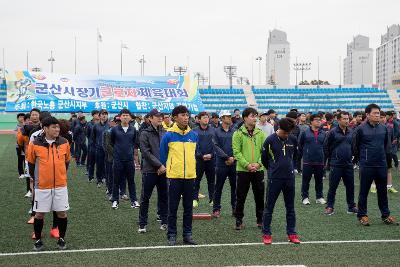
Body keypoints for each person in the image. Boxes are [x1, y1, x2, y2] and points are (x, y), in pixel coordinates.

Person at [27, 116, 71, 251]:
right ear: (45, 128)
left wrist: (60, 175)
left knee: (62, 213)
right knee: (39, 214)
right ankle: (39, 240)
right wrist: (36, 180)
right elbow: (31, 163)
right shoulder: (34, 143)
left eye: (57, 127)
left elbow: (67, 162)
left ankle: (61, 238)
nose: (57, 129)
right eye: (54, 127)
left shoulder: (64, 142)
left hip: (60, 185)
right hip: (42, 186)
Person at [352, 104, 398, 226]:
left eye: (379, 113)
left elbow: (386, 146)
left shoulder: (384, 128)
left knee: (382, 191)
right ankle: (362, 215)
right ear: (367, 115)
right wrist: (362, 159)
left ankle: (385, 215)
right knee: (364, 191)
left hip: (381, 164)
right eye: (375, 113)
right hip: (366, 165)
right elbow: (355, 147)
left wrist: (385, 161)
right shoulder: (360, 129)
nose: (378, 115)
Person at [160, 105, 198, 246]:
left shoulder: (193, 135)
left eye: (187, 115)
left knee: (188, 208)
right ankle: (171, 235)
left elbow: (195, 154)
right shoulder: (168, 135)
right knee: (173, 208)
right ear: (175, 117)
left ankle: (187, 235)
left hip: (190, 177)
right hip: (174, 177)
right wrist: (168, 171)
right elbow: (163, 156)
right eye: (182, 115)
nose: (186, 117)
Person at [261, 118, 300, 245]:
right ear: (279, 129)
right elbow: (264, 159)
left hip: (289, 179)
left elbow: (295, 156)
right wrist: (273, 170)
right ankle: (266, 233)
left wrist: (291, 168)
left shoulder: (293, 139)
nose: (286, 135)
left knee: (290, 208)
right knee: (269, 207)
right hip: (275, 179)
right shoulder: (270, 140)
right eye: (284, 133)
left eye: (288, 133)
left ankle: (292, 233)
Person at [232, 107, 266, 230]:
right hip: (243, 170)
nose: (255, 118)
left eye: (256, 116)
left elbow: (265, 151)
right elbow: (236, 152)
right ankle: (239, 220)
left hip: (258, 170)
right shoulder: (238, 133)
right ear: (245, 118)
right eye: (252, 116)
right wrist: (247, 165)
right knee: (241, 196)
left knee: (260, 195)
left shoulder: (261, 133)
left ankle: (260, 219)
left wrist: (259, 164)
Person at [138, 109, 168, 233]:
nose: (160, 118)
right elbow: (145, 152)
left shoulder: (165, 132)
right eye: (157, 116)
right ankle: (142, 224)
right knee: (146, 197)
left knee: (164, 196)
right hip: (150, 170)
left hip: (163, 170)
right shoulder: (144, 133)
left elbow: (168, 150)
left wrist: (164, 166)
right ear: (150, 118)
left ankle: (164, 221)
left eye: (161, 116)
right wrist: (159, 165)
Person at [323, 111, 357, 215]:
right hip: (336, 164)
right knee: (333, 187)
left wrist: (353, 159)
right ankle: (329, 206)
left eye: (348, 119)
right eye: (344, 119)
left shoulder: (351, 132)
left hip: (348, 165)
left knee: (350, 187)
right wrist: (332, 158)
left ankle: (351, 207)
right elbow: (326, 147)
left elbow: (354, 147)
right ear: (338, 120)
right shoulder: (332, 132)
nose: (347, 121)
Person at [110, 109, 139, 209]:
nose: (125, 117)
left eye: (127, 115)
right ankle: (115, 200)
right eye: (123, 115)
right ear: (120, 117)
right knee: (116, 181)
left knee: (131, 181)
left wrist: (135, 158)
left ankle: (134, 200)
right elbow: (112, 142)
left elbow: (134, 143)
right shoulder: (114, 129)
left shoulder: (133, 130)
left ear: (130, 118)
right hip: (118, 159)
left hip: (129, 160)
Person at [212, 110, 236, 218]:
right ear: (222, 118)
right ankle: (216, 209)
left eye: (230, 116)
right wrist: (226, 157)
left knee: (235, 187)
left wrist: (234, 158)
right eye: (227, 116)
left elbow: (238, 146)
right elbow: (215, 146)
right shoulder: (216, 132)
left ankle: (235, 208)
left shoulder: (235, 131)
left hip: (234, 163)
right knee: (218, 187)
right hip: (221, 164)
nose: (230, 118)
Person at [298, 114, 327, 205]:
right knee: (306, 181)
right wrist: (306, 153)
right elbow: (300, 145)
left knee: (319, 180)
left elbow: (326, 146)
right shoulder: (305, 133)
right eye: (316, 120)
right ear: (311, 122)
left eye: (320, 119)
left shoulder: (323, 133)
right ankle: (305, 197)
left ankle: (319, 197)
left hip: (320, 161)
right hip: (307, 161)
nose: (319, 121)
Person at [193, 112, 216, 208]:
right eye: (204, 117)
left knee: (211, 181)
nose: (206, 119)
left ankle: (212, 199)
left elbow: (216, 145)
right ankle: (194, 199)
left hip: (211, 160)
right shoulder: (194, 131)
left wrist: (211, 154)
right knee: (196, 180)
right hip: (199, 160)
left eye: (207, 117)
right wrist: (200, 155)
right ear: (199, 119)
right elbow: (194, 146)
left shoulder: (213, 130)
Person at [92, 109, 110, 187]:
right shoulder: (96, 126)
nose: (104, 115)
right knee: (99, 164)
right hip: (99, 148)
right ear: (99, 116)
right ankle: (99, 180)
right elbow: (93, 137)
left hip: (108, 149)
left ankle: (105, 178)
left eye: (106, 114)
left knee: (107, 164)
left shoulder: (109, 125)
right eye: (102, 114)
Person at [86, 110, 100, 181]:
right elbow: (87, 134)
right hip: (92, 145)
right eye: (97, 114)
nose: (98, 115)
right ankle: (90, 176)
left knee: (100, 163)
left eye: (98, 114)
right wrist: (91, 141)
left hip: (100, 146)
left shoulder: (102, 123)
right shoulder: (89, 124)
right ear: (93, 115)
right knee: (92, 162)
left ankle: (100, 177)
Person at [15, 113, 27, 179]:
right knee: (20, 160)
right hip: (19, 146)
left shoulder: (27, 125)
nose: (22, 118)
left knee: (27, 160)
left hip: (26, 146)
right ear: (18, 118)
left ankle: (26, 172)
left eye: (23, 117)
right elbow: (17, 136)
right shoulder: (17, 127)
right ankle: (21, 173)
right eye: (20, 117)